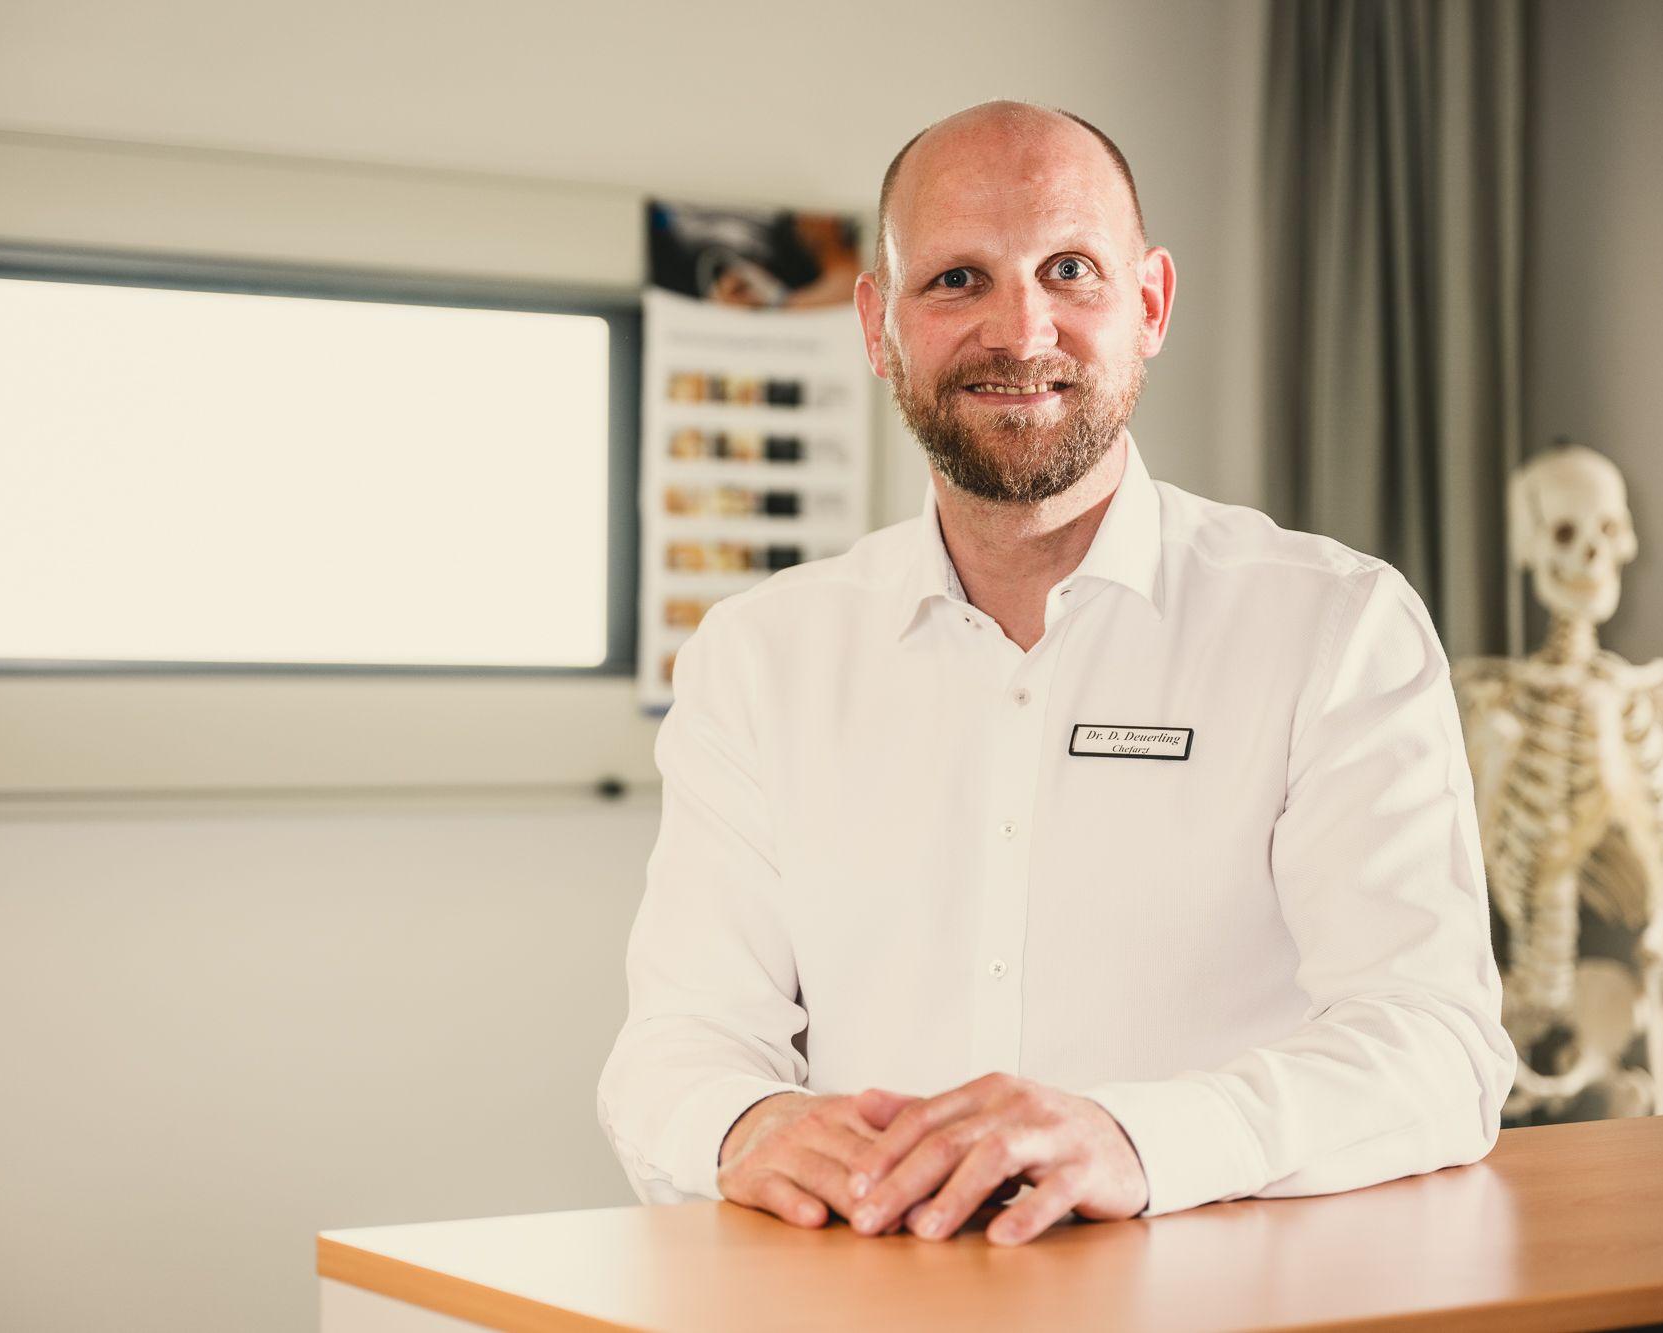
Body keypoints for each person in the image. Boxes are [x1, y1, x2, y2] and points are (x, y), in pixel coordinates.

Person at [596, 101, 1516, 1248]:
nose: (1018, 331)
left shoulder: (1334, 627)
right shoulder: (757, 656)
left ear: (1148, 304)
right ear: (877, 326)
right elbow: (675, 1045)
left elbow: (1434, 1048)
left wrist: (1133, 1139)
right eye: (956, 281)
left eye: (1068, 270)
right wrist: (742, 1122)